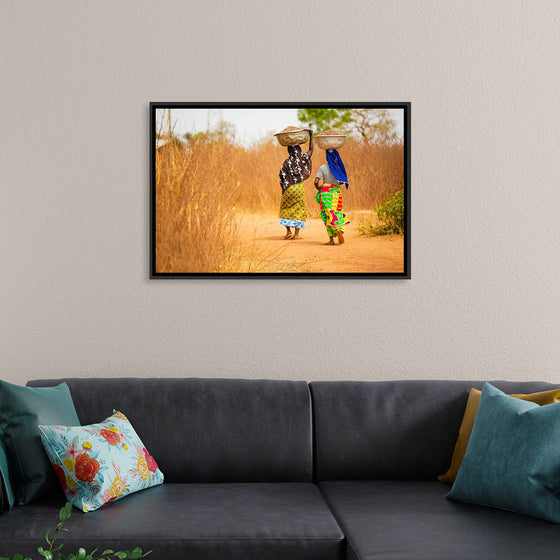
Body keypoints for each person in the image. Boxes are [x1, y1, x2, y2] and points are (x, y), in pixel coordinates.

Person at [278, 130, 314, 239]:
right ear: (299, 150)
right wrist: (311, 135)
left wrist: (284, 188)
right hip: (299, 188)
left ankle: (288, 230)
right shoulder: (303, 159)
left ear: (289, 151)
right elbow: (311, 149)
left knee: (285, 208)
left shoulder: (286, 162)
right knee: (299, 209)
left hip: (288, 188)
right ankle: (296, 234)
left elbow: (281, 176)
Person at [314, 148, 349, 245]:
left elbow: (316, 181)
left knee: (326, 214)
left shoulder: (323, 168)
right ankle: (340, 230)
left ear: (326, 157)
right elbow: (342, 181)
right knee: (337, 212)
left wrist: (319, 188)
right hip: (336, 192)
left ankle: (331, 239)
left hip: (326, 193)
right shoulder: (339, 168)